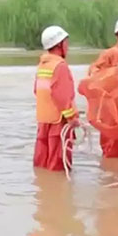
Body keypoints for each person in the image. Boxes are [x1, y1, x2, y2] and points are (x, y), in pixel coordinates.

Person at [87, 17, 118, 158]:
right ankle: (109, 161)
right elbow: (94, 71)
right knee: (109, 135)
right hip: (110, 102)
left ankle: (116, 167)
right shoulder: (109, 53)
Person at [34, 25, 80, 172]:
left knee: (42, 164)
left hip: (43, 122)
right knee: (58, 166)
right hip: (58, 124)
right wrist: (72, 118)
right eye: (66, 43)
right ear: (59, 45)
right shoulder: (60, 66)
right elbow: (63, 96)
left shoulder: (42, 65)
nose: (68, 46)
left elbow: (37, 91)